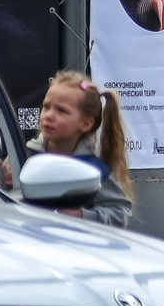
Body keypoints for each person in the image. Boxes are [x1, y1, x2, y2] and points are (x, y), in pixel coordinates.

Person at [35, 73, 135, 227]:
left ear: (86, 124)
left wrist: (83, 216)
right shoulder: (26, 154)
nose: (49, 115)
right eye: (46, 106)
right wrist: (5, 180)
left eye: (61, 110)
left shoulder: (94, 169)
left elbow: (119, 212)